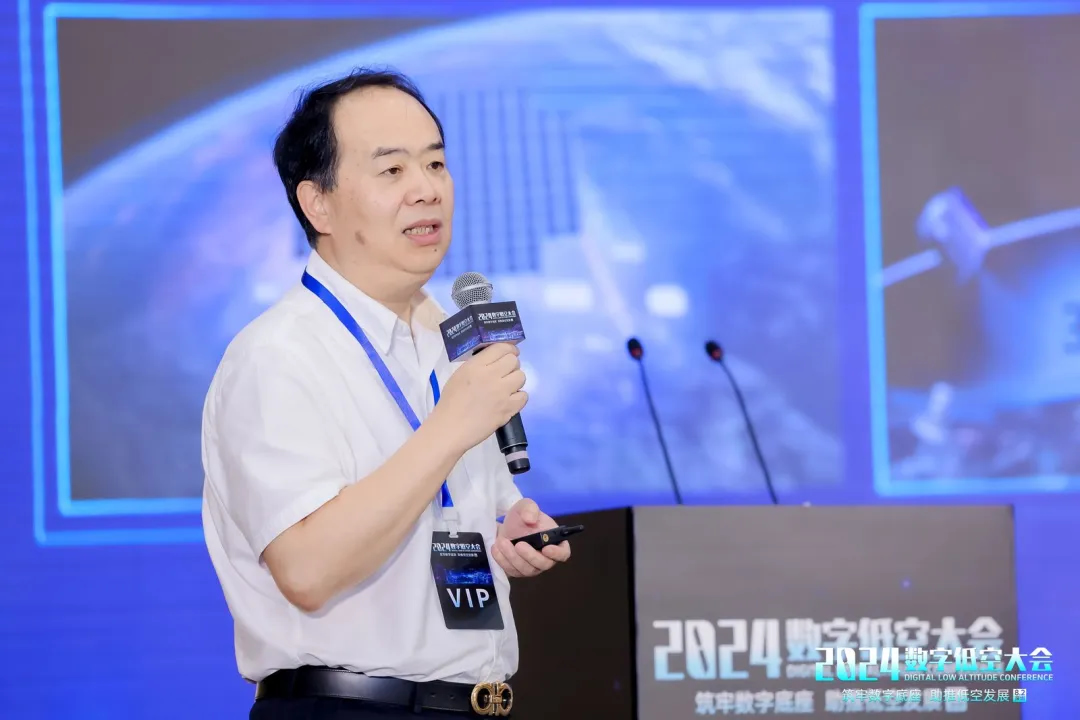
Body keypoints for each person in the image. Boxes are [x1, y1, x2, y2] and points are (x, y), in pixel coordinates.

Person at [201, 67, 572, 719]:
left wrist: (505, 533)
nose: (426, 189)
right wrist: (451, 427)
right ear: (318, 204)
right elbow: (308, 570)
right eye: (393, 170)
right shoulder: (277, 355)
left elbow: (438, 523)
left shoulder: (450, 341)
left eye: (436, 164)